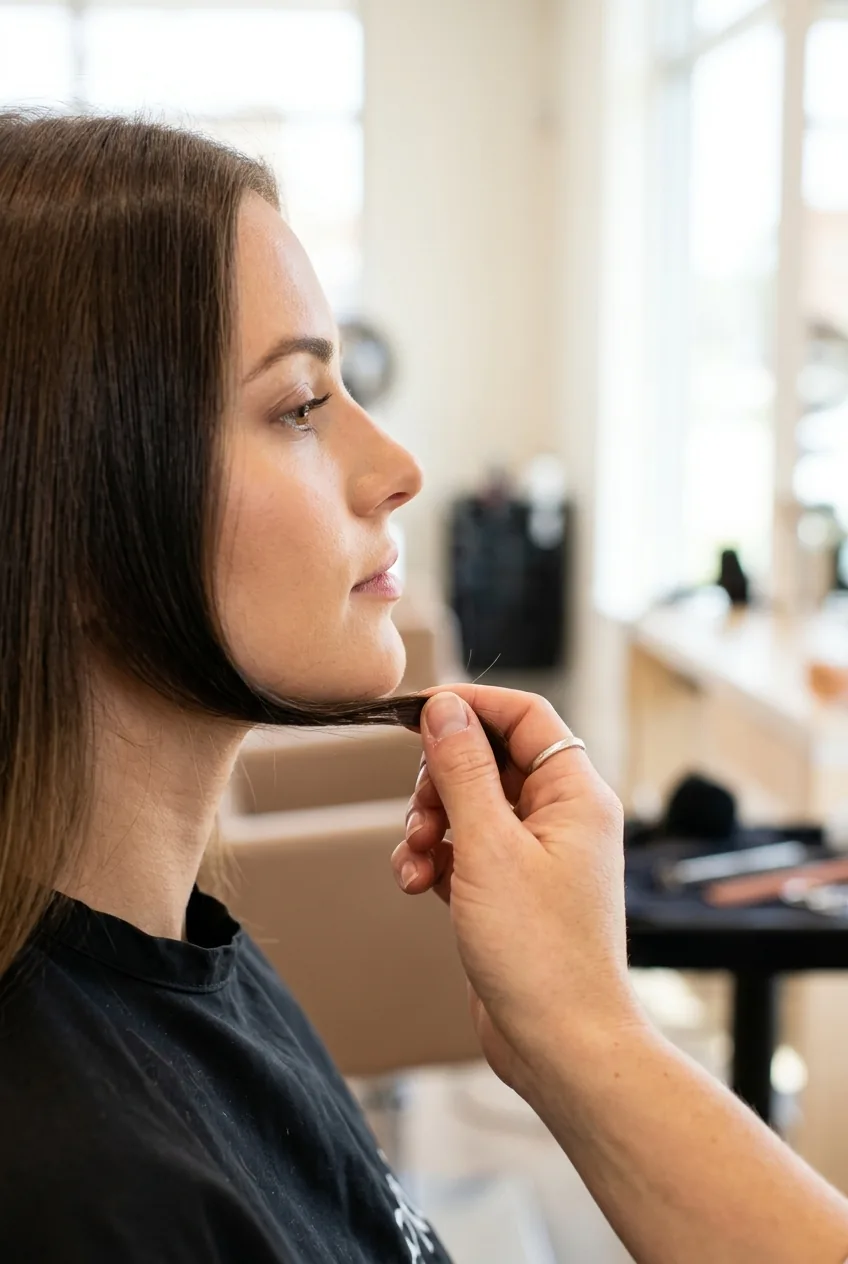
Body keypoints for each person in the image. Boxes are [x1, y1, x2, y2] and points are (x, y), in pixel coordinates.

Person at [0, 108, 845, 1264]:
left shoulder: (191, 965)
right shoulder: (86, 1194)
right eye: (299, 407)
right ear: (71, 520)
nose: (397, 469)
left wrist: (577, 1031)